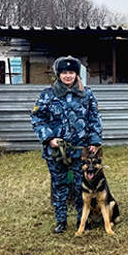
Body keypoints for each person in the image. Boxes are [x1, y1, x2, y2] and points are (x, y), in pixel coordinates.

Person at [31, 56, 102, 234]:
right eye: (64, 73)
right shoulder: (47, 95)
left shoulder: (87, 94)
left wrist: (94, 141)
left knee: (81, 186)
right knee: (59, 185)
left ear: (76, 74)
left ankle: (81, 220)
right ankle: (61, 221)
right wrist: (49, 138)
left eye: (71, 72)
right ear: (58, 74)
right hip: (56, 151)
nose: (68, 76)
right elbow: (37, 118)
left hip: (80, 151)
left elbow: (94, 118)